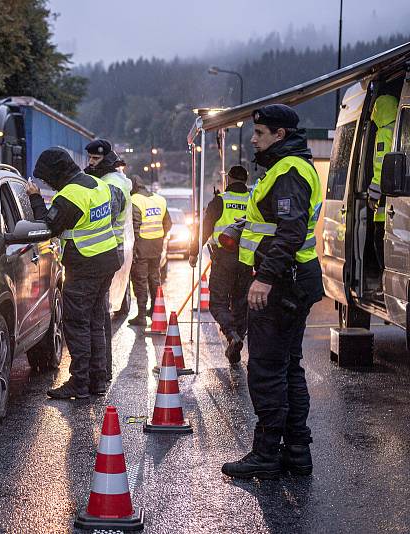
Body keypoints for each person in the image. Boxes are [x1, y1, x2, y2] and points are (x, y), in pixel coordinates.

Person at [221, 104, 324, 480]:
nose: (253, 139)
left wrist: (263, 277)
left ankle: (266, 453)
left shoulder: (289, 171)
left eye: (260, 133)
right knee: (287, 367)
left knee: (266, 369)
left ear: (279, 135)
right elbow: (279, 222)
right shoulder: (287, 168)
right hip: (295, 280)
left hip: (282, 283)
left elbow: (291, 231)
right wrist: (244, 224)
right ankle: (296, 451)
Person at [25, 147, 121, 399]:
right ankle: (97, 380)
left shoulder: (69, 196)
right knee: (95, 322)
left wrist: (35, 197)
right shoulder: (95, 184)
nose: (46, 183)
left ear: (56, 172)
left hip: (85, 265)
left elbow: (49, 227)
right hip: (107, 259)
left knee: (78, 324)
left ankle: (80, 383)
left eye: (46, 178)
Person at [189, 165, 253, 364]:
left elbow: (204, 229)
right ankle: (237, 339)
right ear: (246, 179)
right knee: (240, 303)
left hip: (224, 258)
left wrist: (193, 253)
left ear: (230, 179)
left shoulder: (220, 200)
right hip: (246, 259)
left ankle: (231, 333)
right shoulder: (253, 200)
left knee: (218, 302)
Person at [84, 139, 132, 383]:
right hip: (107, 250)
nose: (91, 163)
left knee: (98, 316)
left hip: (105, 251)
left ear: (107, 159)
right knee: (98, 314)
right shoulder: (109, 180)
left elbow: (103, 218)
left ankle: (100, 374)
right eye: (89, 159)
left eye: (95, 159)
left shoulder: (112, 184)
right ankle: (101, 373)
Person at [127, 176, 171, 326]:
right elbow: (168, 223)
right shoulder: (160, 200)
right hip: (156, 246)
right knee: (155, 278)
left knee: (140, 280)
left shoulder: (135, 201)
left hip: (141, 247)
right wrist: (159, 238)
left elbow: (134, 227)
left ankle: (141, 314)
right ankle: (155, 310)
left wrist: (133, 249)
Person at [367, 94, 399, 281]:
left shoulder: (384, 133)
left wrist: (373, 194)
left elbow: (380, 167)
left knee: (380, 241)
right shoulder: (399, 129)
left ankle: (382, 281)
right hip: (392, 200)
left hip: (384, 205)